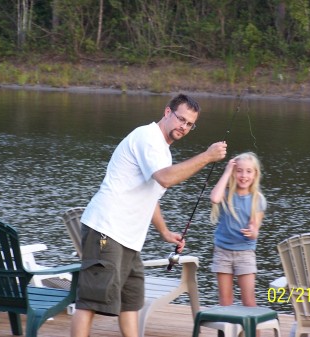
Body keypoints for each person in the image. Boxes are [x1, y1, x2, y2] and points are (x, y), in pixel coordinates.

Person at [71, 93, 227, 337]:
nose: (183, 127)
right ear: (167, 112)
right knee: (91, 300)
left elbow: (150, 197)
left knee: (130, 302)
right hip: (105, 231)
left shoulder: (163, 152)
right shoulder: (147, 137)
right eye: (180, 119)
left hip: (129, 240)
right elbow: (165, 177)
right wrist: (207, 156)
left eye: (189, 124)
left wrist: (164, 232)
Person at [209, 152, 266, 308]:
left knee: (249, 301)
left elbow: (255, 230)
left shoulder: (257, 199)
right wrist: (227, 171)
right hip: (222, 252)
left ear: (255, 174)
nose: (243, 175)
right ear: (234, 172)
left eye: (249, 171)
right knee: (225, 302)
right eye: (239, 170)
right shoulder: (226, 194)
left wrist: (252, 231)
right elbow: (214, 198)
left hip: (245, 253)